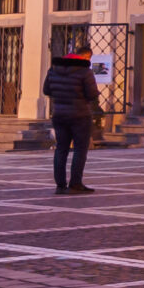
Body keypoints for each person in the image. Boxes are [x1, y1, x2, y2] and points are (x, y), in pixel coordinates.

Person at [44, 48, 102, 194]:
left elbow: (47, 90)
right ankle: (75, 183)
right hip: (80, 115)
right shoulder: (84, 71)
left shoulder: (54, 69)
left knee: (61, 149)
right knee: (80, 150)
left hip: (59, 114)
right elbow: (92, 94)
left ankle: (60, 185)